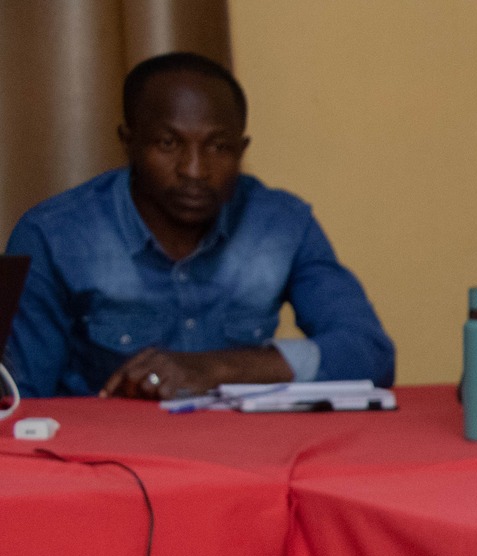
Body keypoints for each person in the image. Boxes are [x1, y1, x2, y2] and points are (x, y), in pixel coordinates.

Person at [3, 52, 394, 400]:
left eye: (219, 147)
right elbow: (20, 401)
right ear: (129, 143)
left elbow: (369, 353)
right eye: (168, 144)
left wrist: (216, 368)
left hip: (243, 453)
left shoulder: (280, 225)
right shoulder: (54, 235)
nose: (195, 170)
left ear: (242, 151)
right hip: (103, 455)